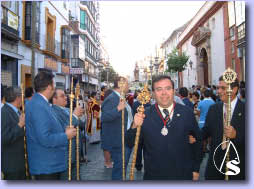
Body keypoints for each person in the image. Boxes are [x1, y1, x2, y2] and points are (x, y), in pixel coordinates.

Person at [126, 75, 202, 180]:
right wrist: (134, 125)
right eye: (159, 89)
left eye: (168, 88)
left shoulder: (186, 113)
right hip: (154, 176)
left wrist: (195, 169)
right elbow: (130, 143)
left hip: (182, 175)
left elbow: (198, 142)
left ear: (174, 91)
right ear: (153, 93)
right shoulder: (144, 115)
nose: (164, 93)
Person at [25, 71, 77, 180]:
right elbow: (44, 138)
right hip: (46, 166)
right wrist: (65, 136)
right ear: (49, 87)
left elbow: (48, 127)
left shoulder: (41, 103)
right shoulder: (39, 105)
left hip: (49, 164)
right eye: (53, 85)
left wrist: (64, 130)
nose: (53, 88)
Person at [202, 76, 245, 180]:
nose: (218, 91)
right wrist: (192, 134)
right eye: (218, 88)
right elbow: (205, 132)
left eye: (223, 88)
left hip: (238, 169)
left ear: (234, 89)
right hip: (215, 169)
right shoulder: (214, 109)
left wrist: (236, 135)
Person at [101, 76, 133, 180]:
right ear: (121, 84)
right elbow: (104, 117)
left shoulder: (121, 97)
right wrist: (118, 109)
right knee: (119, 171)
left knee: (122, 169)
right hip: (118, 141)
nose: (129, 86)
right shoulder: (112, 98)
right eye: (127, 84)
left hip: (125, 138)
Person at [51, 88, 85, 180]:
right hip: (66, 154)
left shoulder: (67, 109)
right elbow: (64, 128)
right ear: (54, 99)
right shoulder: (53, 112)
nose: (66, 98)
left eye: (65, 95)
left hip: (75, 152)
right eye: (62, 96)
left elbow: (81, 125)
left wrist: (79, 116)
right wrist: (74, 116)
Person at [1, 87, 26, 180]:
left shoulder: (16, 111)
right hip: (12, 166)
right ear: (17, 98)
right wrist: (20, 125)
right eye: (22, 96)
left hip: (19, 164)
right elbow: (4, 138)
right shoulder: (4, 112)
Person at [132, 95, 152, 171]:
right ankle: (146, 164)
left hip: (137, 127)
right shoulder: (149, 105)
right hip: (146, 129)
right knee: (146, 149)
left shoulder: (134, 104)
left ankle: (138, 165)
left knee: (138, 148)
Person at [101, 88, 114, 168]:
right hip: (106, 126)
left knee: (108, 144)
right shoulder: (107, 103)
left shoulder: (107, 102)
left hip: (108, 126)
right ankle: (107, 162)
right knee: (107, 145)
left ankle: (108, 161)